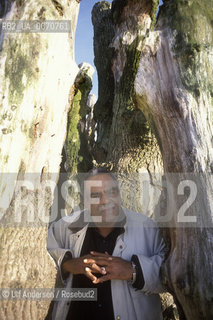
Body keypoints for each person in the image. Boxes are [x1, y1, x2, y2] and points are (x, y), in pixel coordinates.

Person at [47, 168, 166, 320]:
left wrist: (133, 270)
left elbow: (173, 274)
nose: (105, 201)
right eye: (95, 195)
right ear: (84, 201)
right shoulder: (63, 227)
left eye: (112, 192)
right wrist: (68, 264)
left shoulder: (147, 228)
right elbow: (44, 259)